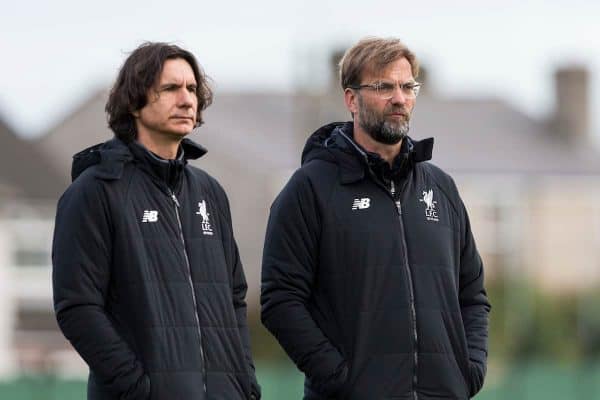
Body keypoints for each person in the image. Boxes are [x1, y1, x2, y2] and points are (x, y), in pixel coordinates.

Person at [261, 37, 490, 400]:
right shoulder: (310, 189)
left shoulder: (441, 189)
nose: (399, 98)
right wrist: (340, 378)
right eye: (383, 86)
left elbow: (473, 296)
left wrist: (469, 369)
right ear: (351, 99)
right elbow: (281, 301)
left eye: (407, 86)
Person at [52, 42, 260, 400]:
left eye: (192, 89)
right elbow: (78, 307)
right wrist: (138, 387)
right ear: (134, 101)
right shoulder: (96, 191)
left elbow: (235, 297)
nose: (186, 99)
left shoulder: (210, 193)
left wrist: (244, 383)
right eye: (170, 89)